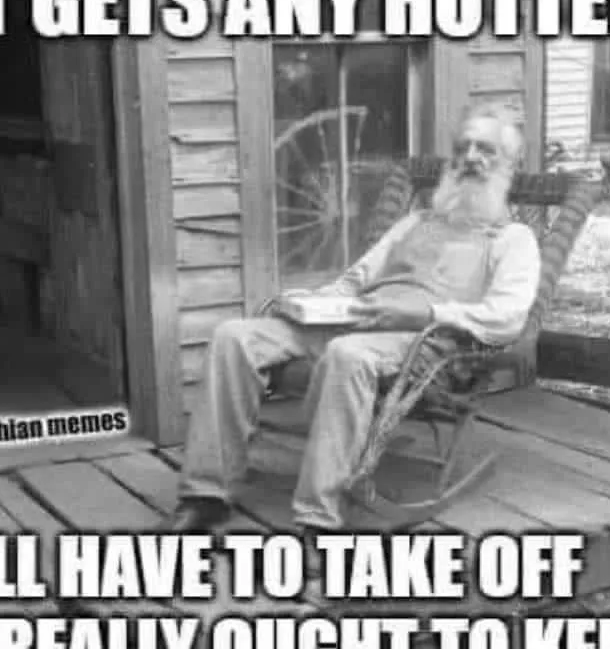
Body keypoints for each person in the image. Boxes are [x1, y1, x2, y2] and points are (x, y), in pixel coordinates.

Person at [166, 104, 542, 557]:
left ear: (510, 164)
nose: (470, 158)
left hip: (424, 344)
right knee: (234, 336)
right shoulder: (416, 222)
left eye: (486, 149)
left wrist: (423, 314)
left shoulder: (513, 240)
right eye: (463, 148)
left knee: (348, 355)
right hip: (357, 319)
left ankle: (318, 519)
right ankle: (205, 495)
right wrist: (313, 304)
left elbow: (506, 318)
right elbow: (356, 279)